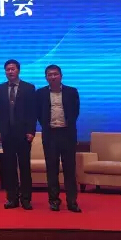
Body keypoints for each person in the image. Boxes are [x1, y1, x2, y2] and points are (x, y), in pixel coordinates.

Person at [36, 64, 82, 213]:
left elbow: (75, 112)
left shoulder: (71, 92)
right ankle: (54, 200)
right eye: (49, 75)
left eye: (55, 74)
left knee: (69, 169)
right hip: (50, 135)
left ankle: (72, 201)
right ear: (46, 77)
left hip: (67, 134)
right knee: (52, 169)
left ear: (61, 76)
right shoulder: (40, 93)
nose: (53, 77)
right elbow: (39, 114)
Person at [0, 59, 37, 210]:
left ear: (18, 70)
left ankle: (26, 199)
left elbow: (32, 112)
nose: (10, 72)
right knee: (9, 167)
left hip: (24, 134)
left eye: (13, 69)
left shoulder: (29, 88)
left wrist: (31, 130)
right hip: (7, 134)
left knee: (24, 167)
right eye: (8, 69)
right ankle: (12, 198)